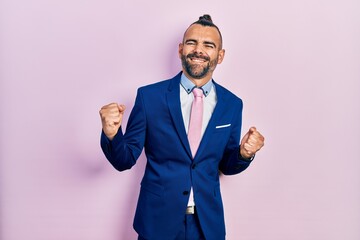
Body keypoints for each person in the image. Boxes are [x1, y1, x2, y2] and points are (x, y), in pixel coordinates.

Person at [99, 14, 265, 240]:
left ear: (220, 55)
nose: (199, 50)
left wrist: (244, 154)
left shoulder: (232, 105)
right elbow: (124, 160)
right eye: (191, 42)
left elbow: (226, 165)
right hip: (157, 221)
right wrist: (112, 135)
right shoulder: (149, 97)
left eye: (209, 45)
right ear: (180, 50)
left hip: (207, 225)